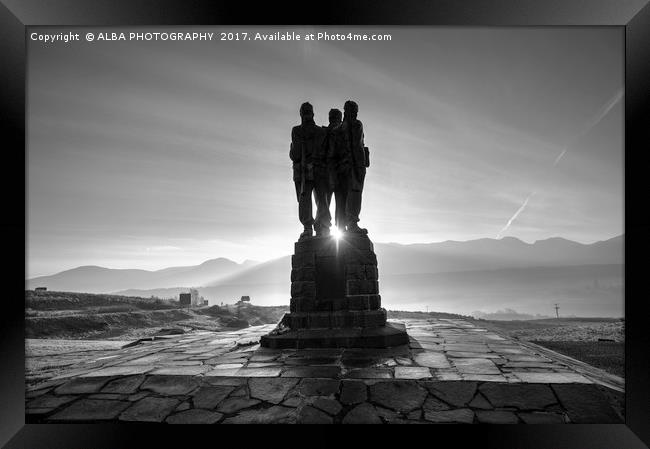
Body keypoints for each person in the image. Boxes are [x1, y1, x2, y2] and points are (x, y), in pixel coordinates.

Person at [290, 102, 330, 239]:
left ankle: (321, 227)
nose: (306, 114)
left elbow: (295, 153)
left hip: (318, 170)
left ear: (312, 114)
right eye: (304, 112)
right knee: (305, 200)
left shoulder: (320, 132)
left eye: (308, 112)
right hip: (303, 172)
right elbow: (295, 154)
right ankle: (309, 227)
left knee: (321, 200)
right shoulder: (297, 131)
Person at [338, 100, 369, 234]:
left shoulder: (339, 128)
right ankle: (352, 223)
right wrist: (360, 166)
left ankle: (345, 225)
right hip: (355, 165)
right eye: (354, 110)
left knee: (344, 196)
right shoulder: (356, 125)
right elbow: (357, 146)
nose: (356, 113)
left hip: (343, 166)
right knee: (355, 194)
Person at [322, 108, 344, 231]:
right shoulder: (323, 132)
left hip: (339, 170)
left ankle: (333, 227)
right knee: (326, 202)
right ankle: (326, 227)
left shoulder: (341, 132)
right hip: (328, 171)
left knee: (336, 202)